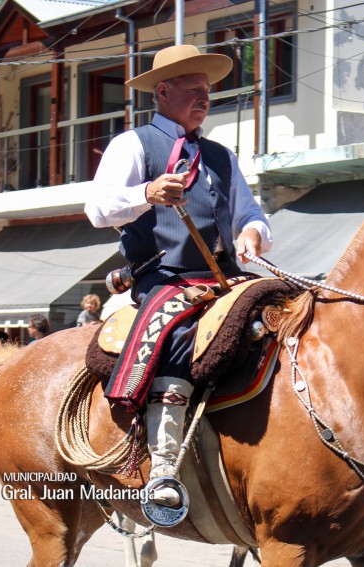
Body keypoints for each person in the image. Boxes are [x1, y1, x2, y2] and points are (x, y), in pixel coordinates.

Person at [84, 44, 273, 507]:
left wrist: (251, 234)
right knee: (178, 331)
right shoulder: (132, 144)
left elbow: (253, 214)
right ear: (163, 91)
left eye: (207, 91)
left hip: (226, 277)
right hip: (164, 276)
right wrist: (147, 191)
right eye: (192, 89)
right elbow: (97, 209)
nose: (203, 98)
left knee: (287, 314)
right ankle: (165, 465)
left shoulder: (221, 156)